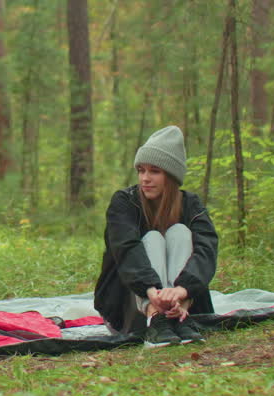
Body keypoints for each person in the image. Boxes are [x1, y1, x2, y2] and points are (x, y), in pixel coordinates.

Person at [93, 125, 218, 347]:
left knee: (180, 233)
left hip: (185, 301)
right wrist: (152, 293)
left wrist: (181, 291)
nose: (145, 178)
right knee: (151, 238)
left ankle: (179, 315)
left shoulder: (190, 204)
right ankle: (156, 318)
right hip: (129, 304)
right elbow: (127, 249)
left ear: (171, 175)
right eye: (141, 170)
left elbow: (206, 249)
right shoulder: (124, 202)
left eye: (154, 171)